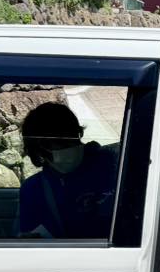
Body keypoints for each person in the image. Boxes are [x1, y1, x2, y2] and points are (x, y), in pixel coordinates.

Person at [18, 102, 119, 239]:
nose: (69, 145)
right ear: (40, 150)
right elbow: (26, 237)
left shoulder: (113, 166)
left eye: (71, 137)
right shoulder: (33, 189)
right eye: (59, 142)